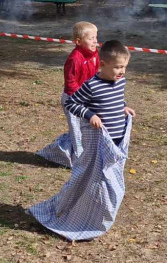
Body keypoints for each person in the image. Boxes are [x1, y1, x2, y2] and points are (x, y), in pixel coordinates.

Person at [30, 40, 135, 241]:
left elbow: (116, 98)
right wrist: (90, 115)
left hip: (116, 142)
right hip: (98, 144)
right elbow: (72, 103)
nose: (122, 72)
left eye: (124, 67)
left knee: (110, 181)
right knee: (96, 180)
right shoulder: (91, 85)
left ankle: (96, 214)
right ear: (103, 64)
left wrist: (124, 107)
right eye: (118, 67)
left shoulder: (120, 81)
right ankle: (77, 211)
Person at [36, 21, 100, 167]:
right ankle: (79, 161)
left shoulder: (95, 54)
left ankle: (70, 153)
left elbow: (96, 73)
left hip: (86, 98)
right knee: (76, 131)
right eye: (91, 38)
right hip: (73, 100)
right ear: (78, 41)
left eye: (96, 37)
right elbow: (71, 83)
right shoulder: (74, 59)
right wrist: (78, 99)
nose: (95, 41)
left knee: (86, 129)